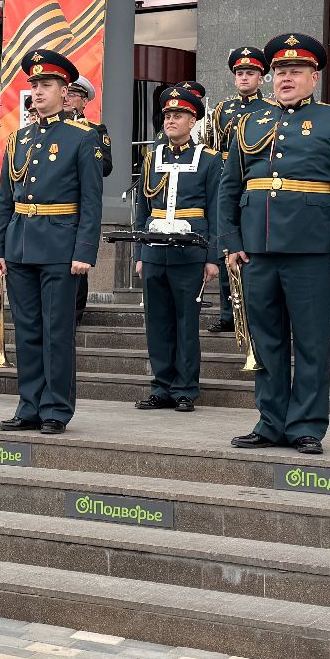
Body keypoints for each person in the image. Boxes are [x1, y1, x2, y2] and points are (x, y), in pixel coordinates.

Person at [218, 33, 330, 455]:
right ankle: (269, 422)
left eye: (295, 71)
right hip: (258, 248)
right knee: (266, 341)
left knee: (310, 341)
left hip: (312, 249)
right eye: (280, 71)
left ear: (314, 76)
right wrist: (230, 241)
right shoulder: (251, 123)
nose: (285, 78)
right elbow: (229, 187)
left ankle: (305, 425)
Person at [0, 49, 103, 435]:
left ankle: (56, 408)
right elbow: (6, 198)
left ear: (64, 90)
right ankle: (29, 405)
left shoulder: (82, 138)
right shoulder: (19, 138)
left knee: (57, 331)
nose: (38, 91)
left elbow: (91, 200)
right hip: (21, 243)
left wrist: (84, 251)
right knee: (27, 330)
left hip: (61, 245)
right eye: (34, 85)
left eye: (46, 85)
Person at [133, 83, 221, 413]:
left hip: (191, 252)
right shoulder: (151, 158)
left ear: (193, 120)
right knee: (157, 322)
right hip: (154, 250)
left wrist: (212, 258)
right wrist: (140, 254)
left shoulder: (209, 160)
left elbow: (216, 210)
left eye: (179, 115)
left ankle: (185, 388)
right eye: (168, 115)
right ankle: (162, 386)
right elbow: (143, 209)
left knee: (186, 324)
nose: (171, 120)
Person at [207, 46, 272, 335]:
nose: (244, 78)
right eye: (240, 73)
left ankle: (254, 313)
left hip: (254, 183)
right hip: (227, 180)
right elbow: (213, 146)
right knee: (226, 248)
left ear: (261, 78)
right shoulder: (223, 109)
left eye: (251, 73)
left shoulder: (270, 109)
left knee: (252, 252)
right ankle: (227, 314)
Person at [62, 75, 112, 326]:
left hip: (79, 199)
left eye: (73, 95)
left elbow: (106, 165)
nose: (67, 98)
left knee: (77, 256)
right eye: (66, 93)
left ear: (83, 102)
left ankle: (75, 311)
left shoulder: (95, 130)